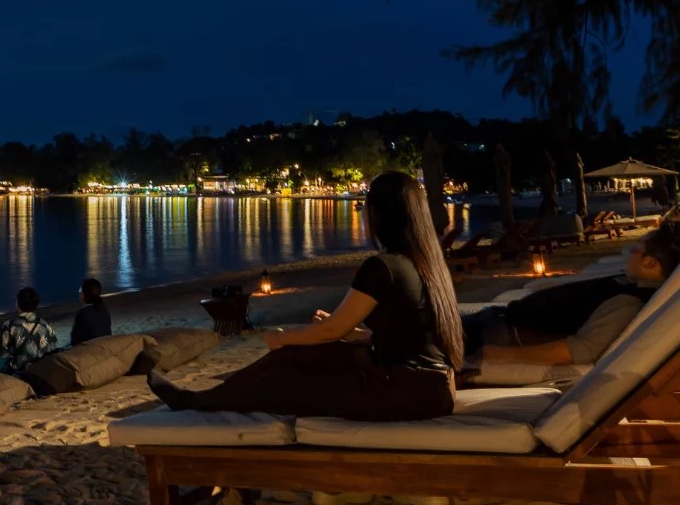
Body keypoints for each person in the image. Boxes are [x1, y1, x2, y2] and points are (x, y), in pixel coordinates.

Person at [147, 171, 464, 421]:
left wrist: (283, 338)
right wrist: (353, 334)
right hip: (433, 389)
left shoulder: (383, 267)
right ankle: (202, 398)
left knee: (289, 369)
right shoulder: (427, 263)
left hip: (404, 392)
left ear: (381, 213)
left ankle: (198, 401)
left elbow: (331, 331)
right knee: (301, 356)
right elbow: (413, 336)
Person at [466, 223, 680, 368]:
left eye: (634, 250)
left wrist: (497, 355)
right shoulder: (631, 283)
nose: (628, 254)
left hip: (497, 334)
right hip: (498, 321)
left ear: (649, 263)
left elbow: (581, 350)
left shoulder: (629, 302)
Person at [0, 287, 59, 373]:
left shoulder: (9, 325)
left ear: (17, 304)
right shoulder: (46, 325)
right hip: (41, 368)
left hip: (18, 369)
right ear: (36, 305)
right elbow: (53, 347)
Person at [71, 278, 112, 346]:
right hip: (106, 346)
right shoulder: (103, 309)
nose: (79, 291)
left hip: (91, 349)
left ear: (84, 294)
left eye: (80, 290)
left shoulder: (82, 313)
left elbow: (74, 341)